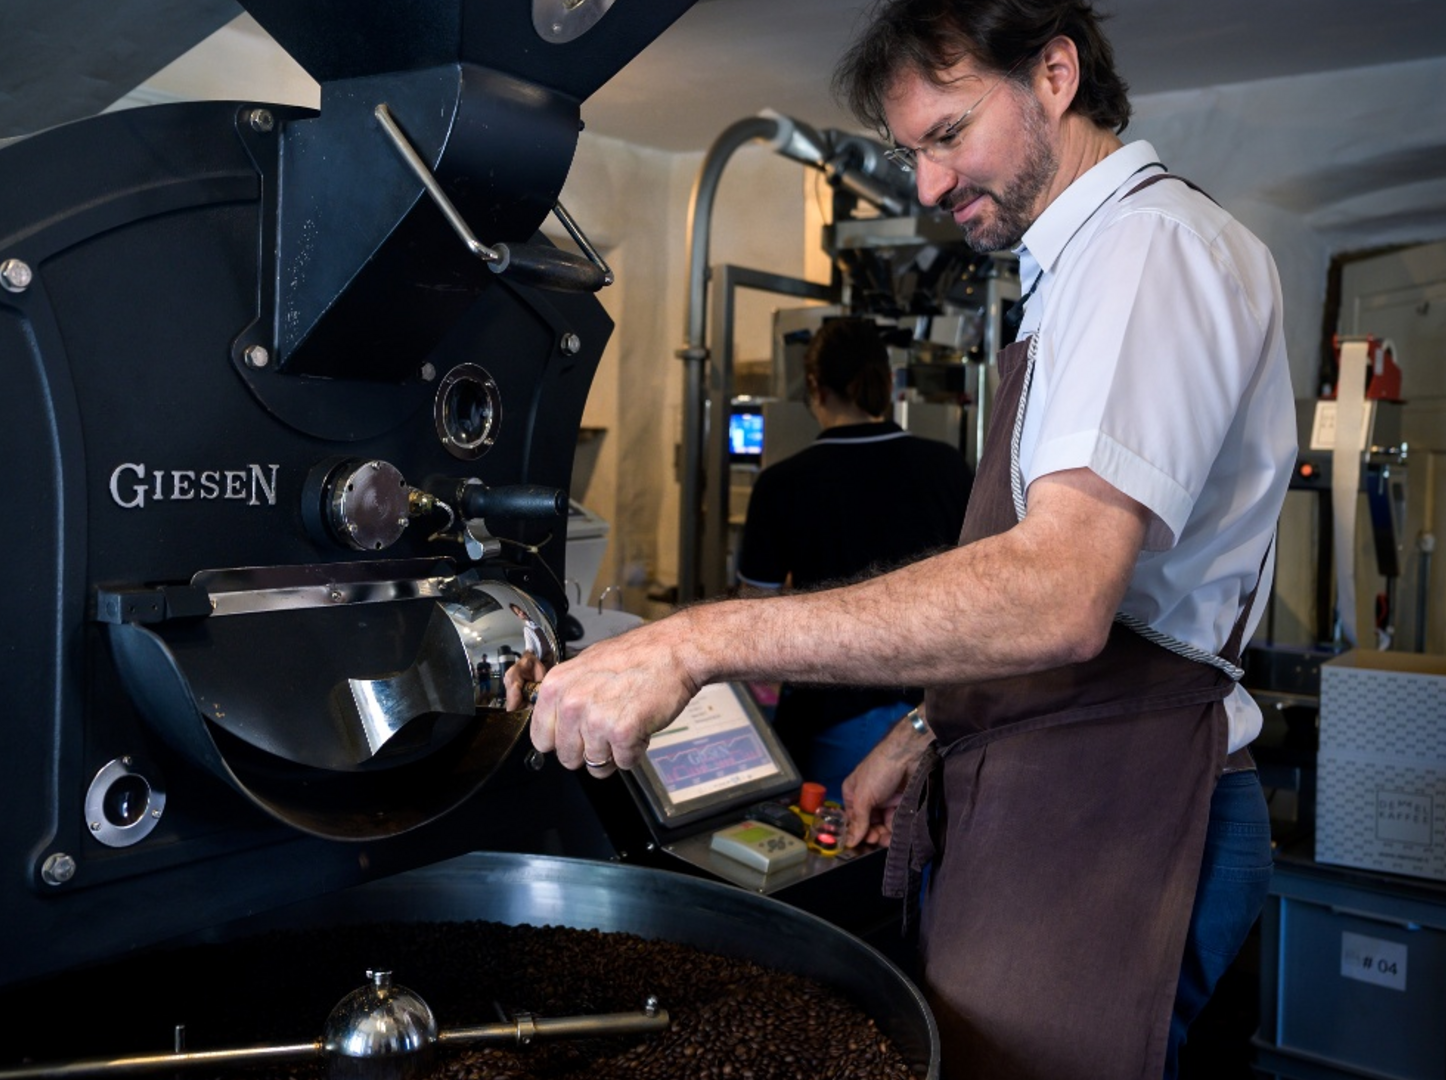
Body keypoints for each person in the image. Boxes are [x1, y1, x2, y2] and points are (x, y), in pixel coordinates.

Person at [509, 2, 1297, 1077]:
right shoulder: (1081, 268)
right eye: (908, 150)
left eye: (948, 135)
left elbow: (1059, 591)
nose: (928, 186)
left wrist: (692, 641)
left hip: (1121, 813)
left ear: (1055, 76)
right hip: (1071, 790)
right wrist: (924, 729)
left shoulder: (1142, 250)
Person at [735, 317, 972, 794]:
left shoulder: (784, 483)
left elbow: (752, 614)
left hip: (832, 717)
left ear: (815, 388)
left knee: (841, 855)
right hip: (939, 714)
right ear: (888, 382)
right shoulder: (946, 465)